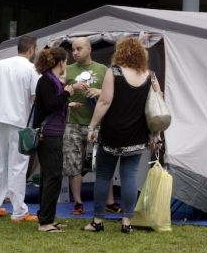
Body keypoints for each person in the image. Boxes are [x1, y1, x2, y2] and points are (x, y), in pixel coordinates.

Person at [84, 37, 162, 233]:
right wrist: (156, 134)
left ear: (120, 53)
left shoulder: (114, 72)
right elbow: (158, 108)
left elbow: (104, 101)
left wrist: (92, 126)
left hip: (112, 132)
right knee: (130, 177)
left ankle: (97, 221)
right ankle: (127, 222)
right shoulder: (150, 76)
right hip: (137, 134)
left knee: (103, 175)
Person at [0, 34, 41, 222]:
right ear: (31, 49)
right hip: (19, 121)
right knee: (18, 165)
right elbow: (35, 97)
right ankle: (19, 211)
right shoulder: (32, 69)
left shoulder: (0, 65)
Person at [63, 37, 120, 215]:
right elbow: (57, 93)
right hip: (72, 123)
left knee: (104, 163)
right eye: (73, 49)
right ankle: (78, 203)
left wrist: (98, 92)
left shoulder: (103, 69)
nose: (75, 53)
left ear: (89, 49)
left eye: (79, 49)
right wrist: (71, 89)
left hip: (98, 124)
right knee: (74, 164)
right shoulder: (67, 69)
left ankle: (110, 202)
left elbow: (114, 94)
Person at [33, 47, 80, 232]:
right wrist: (67, 93)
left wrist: (68, 102)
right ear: (60, 62)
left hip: (53, 133)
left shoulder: (50, 80)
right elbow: (51, 105)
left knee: (49, 177)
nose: (66, 65)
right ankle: (45, 222)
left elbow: (52, 103)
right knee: (52, 177)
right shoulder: (46, 81)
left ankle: (46, 218)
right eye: (66, 61)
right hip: (49, 135)